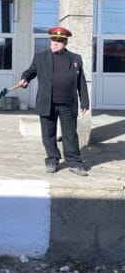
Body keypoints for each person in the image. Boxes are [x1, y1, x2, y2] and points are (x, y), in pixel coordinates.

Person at [18, 26, 89, 176]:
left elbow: (81, 82)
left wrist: (84, 102)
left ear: (65, 42)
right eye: (53, 40)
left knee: (70, 134)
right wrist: (25, 78)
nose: (55, 43)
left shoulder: (75, 59)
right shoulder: (40, 57)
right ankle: (52, 159)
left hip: (68, 104)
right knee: (48, 134)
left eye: (59, 40)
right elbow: (30, 72)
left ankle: (74, 162)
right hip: (47, 102)